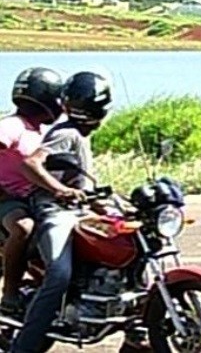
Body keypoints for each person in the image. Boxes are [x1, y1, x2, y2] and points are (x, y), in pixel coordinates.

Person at [10, 71, 149, 353]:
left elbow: (82, 187)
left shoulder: (79, 135)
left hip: (77, 210)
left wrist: (122, 209)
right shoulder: (67, 133)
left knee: (136, 257)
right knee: (58, 275)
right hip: (54, 211)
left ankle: (135, 337)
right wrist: (59, 190)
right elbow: (31, 164)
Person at [0, 67, 64, 315]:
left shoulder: (40, 132)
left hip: (35, 199)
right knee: (23, 228)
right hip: (9, 199)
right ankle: (10, 293)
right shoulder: (13, 125)